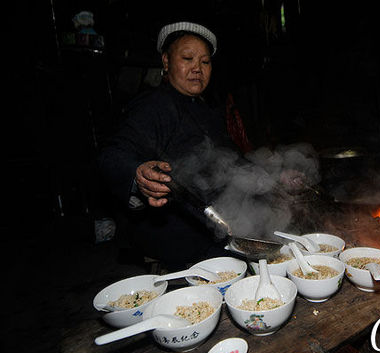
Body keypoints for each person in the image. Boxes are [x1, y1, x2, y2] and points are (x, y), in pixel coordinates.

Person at [98, 21, 305, 269]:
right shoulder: (154, 106)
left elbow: (234, 164)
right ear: (165, 61)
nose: (197, 68)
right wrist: (137, 173)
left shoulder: (207, 110)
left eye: (205, 62)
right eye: (187, 58)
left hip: (221, 225)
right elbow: (112, 154)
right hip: (181, 235)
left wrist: (275, 176)